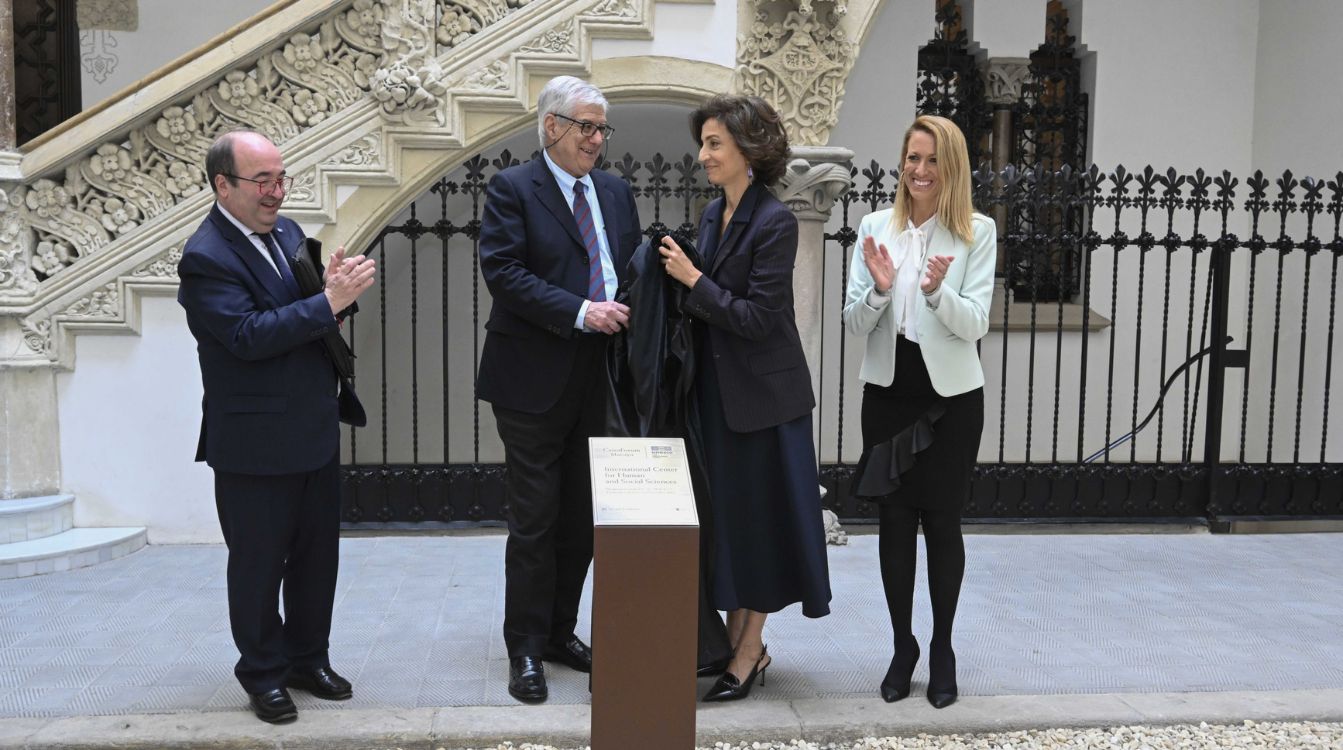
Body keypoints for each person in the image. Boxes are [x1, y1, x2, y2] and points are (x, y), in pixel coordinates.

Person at [177, 130, 376, 724]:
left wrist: (334, 286)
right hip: (254, 442)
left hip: (313, 425)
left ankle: (307, 658)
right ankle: (262, 673)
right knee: (259, 565)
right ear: (223, 185)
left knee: (318, 559)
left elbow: (308, 307)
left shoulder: (288, 234)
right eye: (262, 181)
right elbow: (246, 337)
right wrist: (327, 303)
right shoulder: (205, 257)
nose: (276, 192)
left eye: (281, 178)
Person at [659, 94, 832, 702]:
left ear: (748, 154)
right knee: (730, 523)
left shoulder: (775, 222)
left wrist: (693, 280)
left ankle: (749, 649)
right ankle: (737, 646)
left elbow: (759, 319)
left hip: (766, 404)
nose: (703, 154)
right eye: (703, 142)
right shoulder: (713, 215)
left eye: (714, 144)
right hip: (717, 399)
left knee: (759, 525)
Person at [475, 75, 642, 704]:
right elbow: (505, 272)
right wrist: (580, 311)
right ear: (552, 126)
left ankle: (558, 631)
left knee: (581, 520)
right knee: (535, 520)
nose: (597, 140)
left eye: (602, 129)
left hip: (599, 379)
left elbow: (627, 268)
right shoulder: (513, 188)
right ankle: (524, 648)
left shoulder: (616, 191)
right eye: (587, 128)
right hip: (531, 381)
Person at [842, 115, 996, 709]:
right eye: (912, 158)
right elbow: (855, 322)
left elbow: (975, 324)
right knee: (895, 527)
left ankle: (943, 648)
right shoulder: (875, 227)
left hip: (950, 400)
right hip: (888, 392)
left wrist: (936, 291)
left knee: (943, 525)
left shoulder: (975, 233)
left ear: (949, 166)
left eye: (931, 160)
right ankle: (902, 646)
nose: (919, 171)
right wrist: (880, 288)